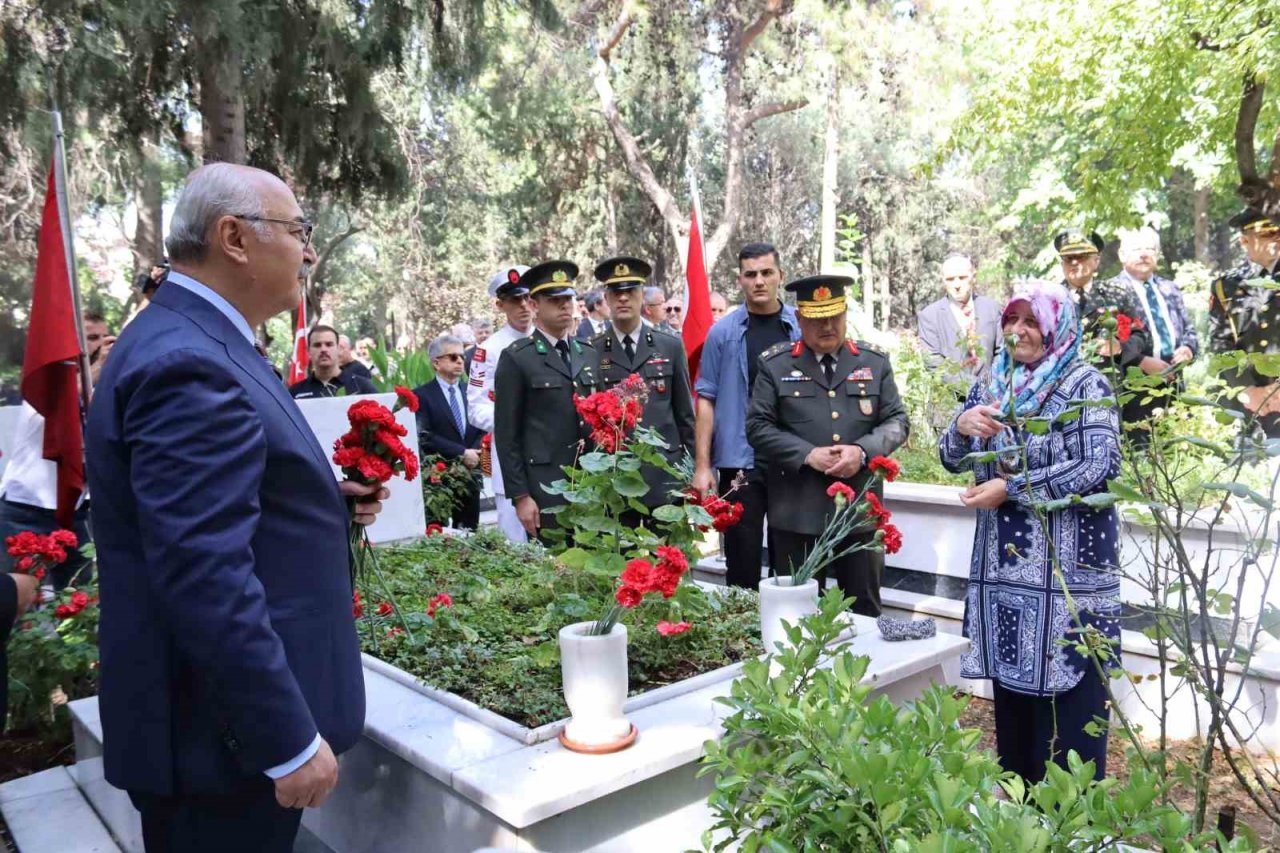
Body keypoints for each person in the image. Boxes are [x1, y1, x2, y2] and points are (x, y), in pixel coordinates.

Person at [84, 163, 388, 852]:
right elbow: (202, 572)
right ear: (234, 237)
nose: (309, 251)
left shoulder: (199, 338)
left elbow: (213, 513)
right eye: (297, 231)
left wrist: (319, 503)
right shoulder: (187, 362)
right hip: (219, 751)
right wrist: (284, 739)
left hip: (216, 742)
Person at [939, 279, 1121, 785]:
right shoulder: (992, 382)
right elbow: (950, 458)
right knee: (1016, 725)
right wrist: (960, 426)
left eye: (1031, 321)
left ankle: (1070, 829)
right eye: (1011, 320)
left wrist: (1012, 488)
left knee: (1071, 731)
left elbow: (1097, 464)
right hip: (1008, 582)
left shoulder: (1085, 384)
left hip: (1068, 585)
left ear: (1056, 327)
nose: (1018, 332)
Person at [746, 275, 908, 616]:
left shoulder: (873, 363)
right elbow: (757, 427)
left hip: (858, 514)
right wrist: (808, 454)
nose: (827, 326)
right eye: (817, 319)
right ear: (800, 319)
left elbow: (897, 422)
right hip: (797, 513)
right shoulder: (775, 365)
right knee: (794, 617)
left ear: (846, 314)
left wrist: (862, 452)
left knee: (863, 611)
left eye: (834, 316)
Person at [693, 242, 800, 589]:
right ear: (739, 280)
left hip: (791, 461)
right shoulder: (722, 333)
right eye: (751, 274)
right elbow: (705, 398)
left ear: (780, 276)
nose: (759, 281)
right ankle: (742, 637)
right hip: (740, 463)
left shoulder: (800, 329)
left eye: (767, 273)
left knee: (791, 562)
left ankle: (786, 637)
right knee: (741, 560)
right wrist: (702, 466)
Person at [494, 260, 599, 542]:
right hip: (546, 488)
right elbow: (507, 435)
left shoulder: (588, 352)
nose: (566, 306)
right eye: (555, 300)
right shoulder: (518, 357)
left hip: (593, 483)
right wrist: (520, 496)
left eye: (569, 299)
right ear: (534, 304)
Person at [0, 312, 106, 588]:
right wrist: (95, 371)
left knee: (78, 600)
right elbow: (63, 407)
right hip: (26, 509)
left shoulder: (99, 389)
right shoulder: (45, 382)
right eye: (91, 338)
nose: (98, 346)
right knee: (16, 604)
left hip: (74, 507)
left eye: (102, 338)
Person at [591, 256, 695, 514]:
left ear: (642, 297)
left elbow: (685, 414)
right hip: (615, 478)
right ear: (607, 298)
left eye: (630, 291)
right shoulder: (592, 350)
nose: (623, 298)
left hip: (664, 474)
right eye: (616, 292)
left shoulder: (669, 345)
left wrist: (694, 469)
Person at [1096, 226, 1197, 431]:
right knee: (1141, 452)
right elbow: (1106, 344)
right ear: (1122, 255)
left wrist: (1188, 349)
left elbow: (1189, 330)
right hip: (1133, 387)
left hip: (1173, 383)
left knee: (1177, 451)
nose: (1144, 254)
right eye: (1137, 249)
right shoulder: (1108, 291)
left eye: (1150, 248)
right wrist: (1140, 361)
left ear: (1158, 255)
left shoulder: (1170, 288)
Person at [468, 265, 534, 543]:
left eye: (527, 298)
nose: (523, 306)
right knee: (516, 542)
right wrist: (514, 420)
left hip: (553, 456)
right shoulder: (489, 350)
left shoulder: (555, 340)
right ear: (500, 305)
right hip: (510, 459)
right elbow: (476, 408)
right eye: (514, 300)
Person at [1055, 228, 1151, 379]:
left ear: (1096, 261)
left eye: (1081, 256)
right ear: (1062, 263)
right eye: (1068, 257)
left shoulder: (1117, 293)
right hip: (1062, 386)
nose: (1074, 262)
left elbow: (1140, 333)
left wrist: (1120, 348)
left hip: (1107, 387)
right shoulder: (1050, 299)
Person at [414, 334, 484, 529]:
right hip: (438, 477)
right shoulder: (421, 395)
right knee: (438, 533)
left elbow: (481, 427)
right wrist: (461, 453)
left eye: (462, 356)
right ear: (436, 363)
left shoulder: (471, 392)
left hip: (471, 474)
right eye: (453, 357)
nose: (460, 361)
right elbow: (424, 436)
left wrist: (475, 453)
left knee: (470, 533)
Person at [916, 253, 1001, 391]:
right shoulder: (929, 316)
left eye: (962, 278)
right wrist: (971, 393)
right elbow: (933, 363)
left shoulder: (992, 309)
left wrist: (989, 389)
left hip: (993, 397)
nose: (956, 285)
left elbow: (1002, 353)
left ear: (973, 277)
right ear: (943, 281)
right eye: (950, 279)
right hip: (951, 401)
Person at [289, 325, 377, 399]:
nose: (323, 349)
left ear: (339, 349)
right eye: (317, 345)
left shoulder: (363, 387)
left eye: (329, 344)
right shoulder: (295, 393)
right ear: (308, 351)